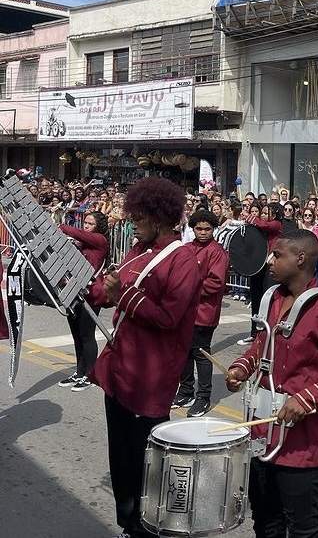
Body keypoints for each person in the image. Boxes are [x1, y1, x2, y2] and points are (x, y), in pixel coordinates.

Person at [225, 231, 318, 537]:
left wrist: (307, 398)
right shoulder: (272, 298)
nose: (270, 261)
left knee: (304, 529)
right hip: (261, 434)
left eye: (277, 255)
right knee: (266, 522)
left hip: (301, 444)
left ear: (300, 259)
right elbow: (262, 345)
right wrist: (241, 368)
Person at [87, 177, 201, 538]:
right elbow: (110, 289)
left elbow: (168, 318)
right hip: (120, 372)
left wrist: (122, 296)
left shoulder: (183, 259)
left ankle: (146, 527)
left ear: (158, 215)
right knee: (119, 457)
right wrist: (81, 288)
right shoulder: (139, 249)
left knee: (145, 463)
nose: (132, 221)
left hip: (149, 381)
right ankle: (128, 524)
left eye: (138, 215)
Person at [171, 210, 229, 418]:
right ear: (192, 229)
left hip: (204, 312)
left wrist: (186, 288)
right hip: (184, 312)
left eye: (207, 229)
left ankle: (203, 397)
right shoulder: (186, 248)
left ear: (214, 229)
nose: (203, 232)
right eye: (199, 228)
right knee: (184, 351)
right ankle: (185, 391)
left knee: (201, 354)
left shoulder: (217, 252)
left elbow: (215, 282)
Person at [58, 210, 109, 391]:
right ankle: (79, 372)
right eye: (85, 223)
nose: (86, 226)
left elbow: (76, 233)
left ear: (98, 227)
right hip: (74, 292)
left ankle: (90, 373)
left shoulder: (99, 240)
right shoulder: (81, 242)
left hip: (91, 294)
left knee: (87, 335)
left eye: (90, 223)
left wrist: (60, 227)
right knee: (77, 335)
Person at [237, 200, 284, 345]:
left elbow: (264, 225)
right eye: (261, 213)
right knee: (256, 299)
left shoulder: (276, 224)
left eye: (265, 213)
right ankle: (254, 333)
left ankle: (266, 333)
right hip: (256, 267)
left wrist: (249, 216)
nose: (262, 216)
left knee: (266, 300)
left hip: (269, 268)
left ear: (274, 214)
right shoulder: (258, 226)